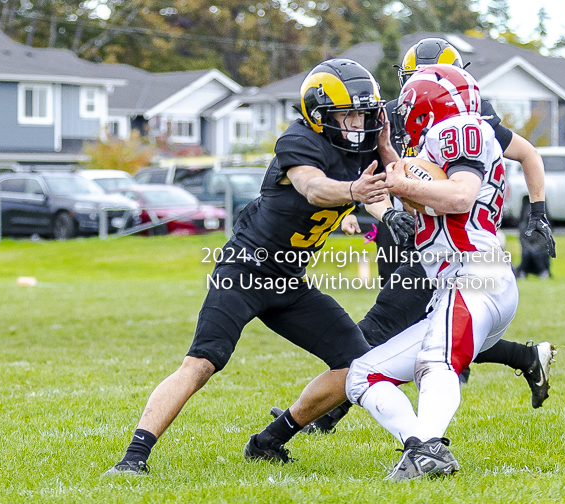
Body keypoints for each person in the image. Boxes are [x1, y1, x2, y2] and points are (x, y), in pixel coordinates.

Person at [103, 58, 414, 474]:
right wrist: (354, 190)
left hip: (289, 280)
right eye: (348, 116)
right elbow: (315, 188)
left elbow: (373, 187)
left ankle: (269, 441)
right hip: (244, 271)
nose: (359, 123)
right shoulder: (299, 140)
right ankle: (133, 458)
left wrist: (388, 210)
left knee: (357, 366)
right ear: (319, 117)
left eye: (364, 113)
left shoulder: (364, 146)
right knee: (202, 362)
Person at [346, 64, 521, 481]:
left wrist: (401, 187)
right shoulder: (440, 146)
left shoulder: (458, 128)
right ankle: (418, 446)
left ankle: (430, 451)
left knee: (436, 361)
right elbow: (421, 180)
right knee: (362, 375)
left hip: (474, 274)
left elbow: (459, 196)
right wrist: (392, 160)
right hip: (456, 285)